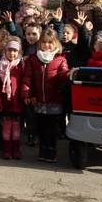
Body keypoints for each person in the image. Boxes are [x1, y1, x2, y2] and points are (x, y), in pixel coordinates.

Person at [22, 29, 69, 163]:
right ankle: (43, 150)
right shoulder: (33, 59)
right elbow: (27, 78)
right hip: (39, 101)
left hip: (55, 100)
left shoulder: (60, 59)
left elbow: (62, 76)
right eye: (44, 42)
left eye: (50, 42)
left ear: (55, 44)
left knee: (52, 128)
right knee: (41, 127)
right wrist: (26, 93)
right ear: (39, 44)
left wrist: (67, 75)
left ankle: (51, 150)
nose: (47, 45)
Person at [0, 37, 25, 160]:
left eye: (15, 51)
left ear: (19, 52)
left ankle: (16, 148)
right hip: (5, 101)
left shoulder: (21, 65)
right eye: (9, 50)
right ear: (5, 51)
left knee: (16, 127)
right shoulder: (0, 65)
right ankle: (7, 149)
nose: (12, 53)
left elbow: (24, 82)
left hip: (17, 101)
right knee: (6, 127)